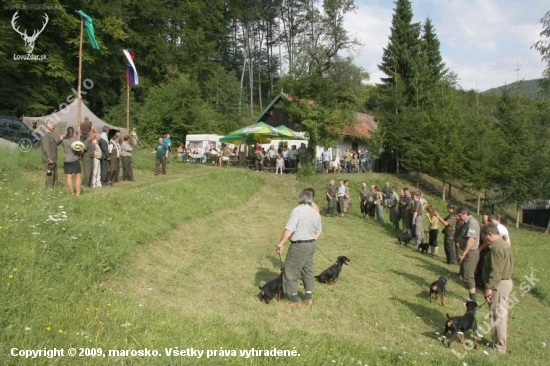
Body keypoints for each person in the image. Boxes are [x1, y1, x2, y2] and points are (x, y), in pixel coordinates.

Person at [275, 190, 322, 306]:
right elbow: (319, 230)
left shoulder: (297, 211)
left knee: (290, 270)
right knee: (308, 270)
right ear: (310, 199)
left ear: (300, 199)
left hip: (299, 245)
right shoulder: (315, 212)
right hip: (311, 244)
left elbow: (289, 229)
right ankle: (308, 298)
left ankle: (295, 300)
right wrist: (311, 240)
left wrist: (281, 243)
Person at [481, 222, 514, 355]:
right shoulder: (503, 244)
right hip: (503, 282)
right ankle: (495, 342)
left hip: (499, 284)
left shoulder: (496, 249)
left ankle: (499, 347)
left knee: (498, 315)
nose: (484, 240)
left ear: (490, 234)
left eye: (484, 237)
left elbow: (496, 271)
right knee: (496, 314)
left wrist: (490, 287)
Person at [456, 206, 481, 302]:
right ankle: (471, 297)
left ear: (465, 213)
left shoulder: (472, 223)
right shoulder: (467, 223)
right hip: (468, 252)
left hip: (471, 252)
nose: (458, 217)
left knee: (468, 276)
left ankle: (473, 300)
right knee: (465, 274)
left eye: (459, 215)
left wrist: (464, 254)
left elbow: (471, 239)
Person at [61, 127, 82, 196]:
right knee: (77, 176)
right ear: (73, 133)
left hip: (67, 160)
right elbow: (79, 149)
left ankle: (71, 192)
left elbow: (63, 147)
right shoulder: (76, 140)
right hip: (75, 159)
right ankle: (78, 193)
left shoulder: (64, 140)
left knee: (68, 176)